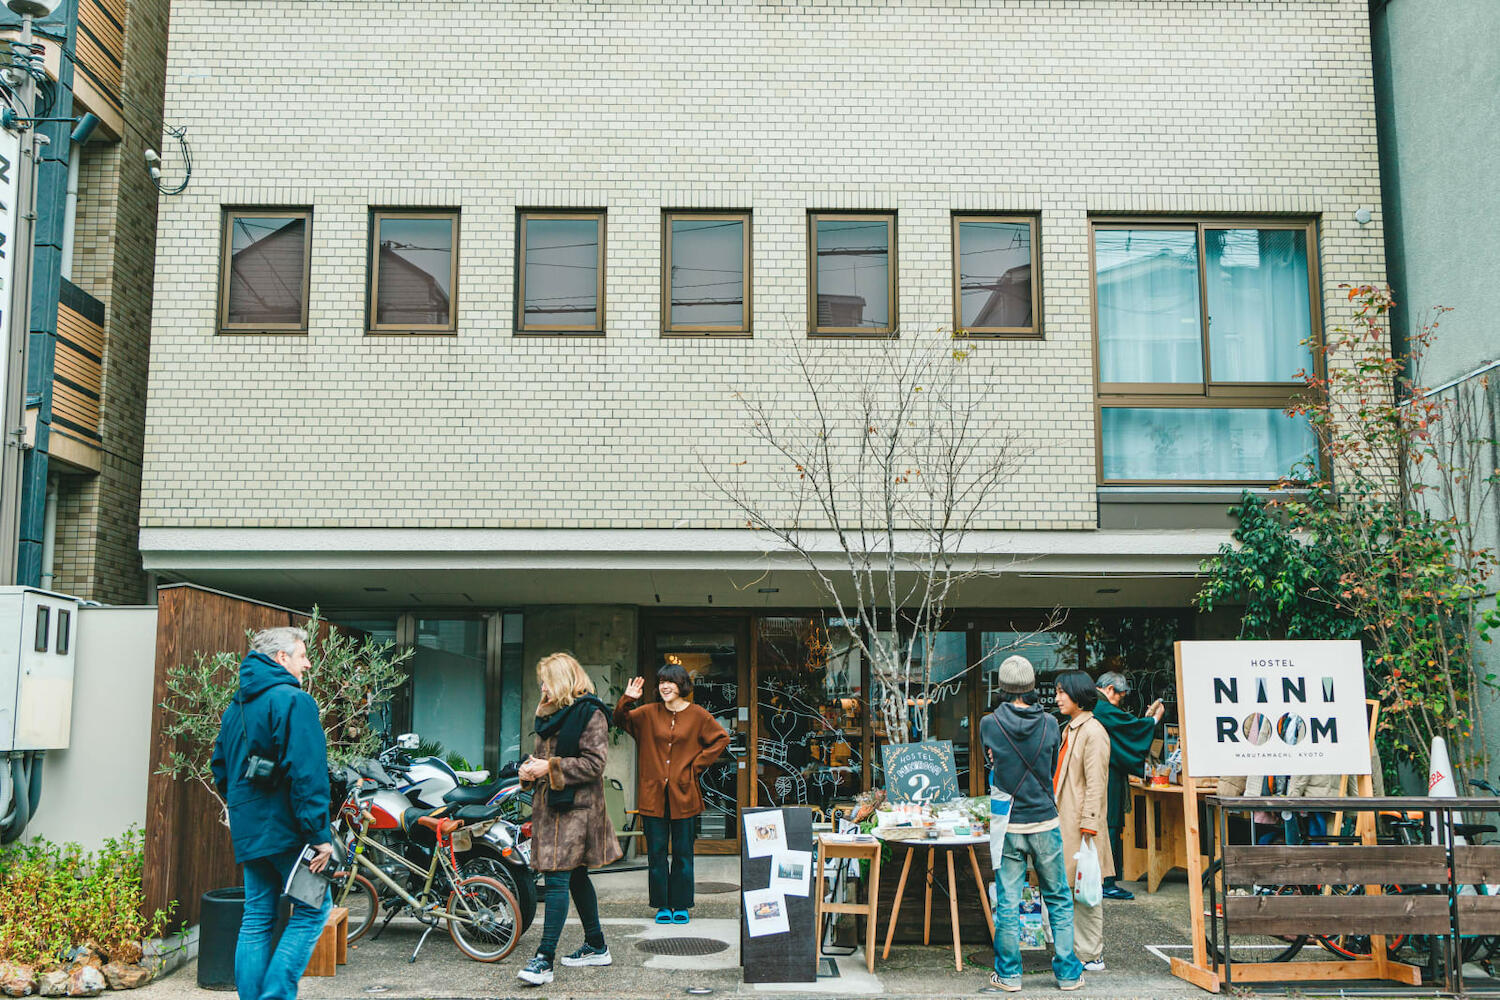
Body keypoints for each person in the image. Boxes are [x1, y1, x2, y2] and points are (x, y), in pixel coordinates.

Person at [210, 626, 334, 1000]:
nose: (307, 663)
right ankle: (276, 996)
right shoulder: (295, 701)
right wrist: (320, 835)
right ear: (281, 658)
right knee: (315, 908)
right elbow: (307, 772)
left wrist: (246, 809)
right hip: (288, 828)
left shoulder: (237, 707)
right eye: (302, 655)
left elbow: (219, 768)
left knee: (256, 918)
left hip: (249, 830)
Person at [515, 652, 623, 987]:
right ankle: (596, 945)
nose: (542, 687)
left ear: (562, 680)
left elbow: (594, 765)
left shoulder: (591, 713)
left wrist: (548, 768)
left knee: (559, 878)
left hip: (576, 810)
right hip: (553, 806)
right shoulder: (551, 714)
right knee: (575, 878)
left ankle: (544, 960)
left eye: (546, 680)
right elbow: (549, 759)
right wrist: (529, 769)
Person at [981, 655, 1085, 992]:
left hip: (1008, 822)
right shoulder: (1052, 725)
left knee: (1009, 901)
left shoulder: (989, 724)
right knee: (1058, 897)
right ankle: (1068, 973)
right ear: (1031, 685)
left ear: (1003, 687)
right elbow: (1050, 766)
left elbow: (991, 764)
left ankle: (1009, 975)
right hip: (1044, 820)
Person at [613, 664, 730, 924]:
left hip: (684, 795)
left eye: (671, 682)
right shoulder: (647, 714)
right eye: (662, 682)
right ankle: (662, 905)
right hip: (652, 795)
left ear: (682, 686)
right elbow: (619, 720)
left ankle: (681, 905)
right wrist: (627, 700)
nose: (665, 686)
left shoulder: (698, 715)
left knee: (682, 853)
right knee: (656, 853)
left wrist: (694, 766)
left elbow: (721, 739)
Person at [1052, 670, 1113, 973]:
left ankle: (1091, 954)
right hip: (1068, 820)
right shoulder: (1071, 729)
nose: (1058, 697)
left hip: (1081, 825)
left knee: (1085, 890)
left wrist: (1089, 826)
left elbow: (1096, 783)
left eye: (1063, 692)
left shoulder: (1093, 732)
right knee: (1072, 888)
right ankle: (1077, 950)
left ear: (1078, 694)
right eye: (1057, 691)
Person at [1092, 670, 1164, 900]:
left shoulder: (1095, 705)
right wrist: (1153, 720)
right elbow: (1129, 729)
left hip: (1099, 774)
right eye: (1119, 696)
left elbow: (1124, 728)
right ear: (1110, 689)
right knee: (1109, 824)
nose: (1119, 701)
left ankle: (1101, 879)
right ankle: (1107, 881)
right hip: (1106, 777)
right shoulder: (1101, 707)